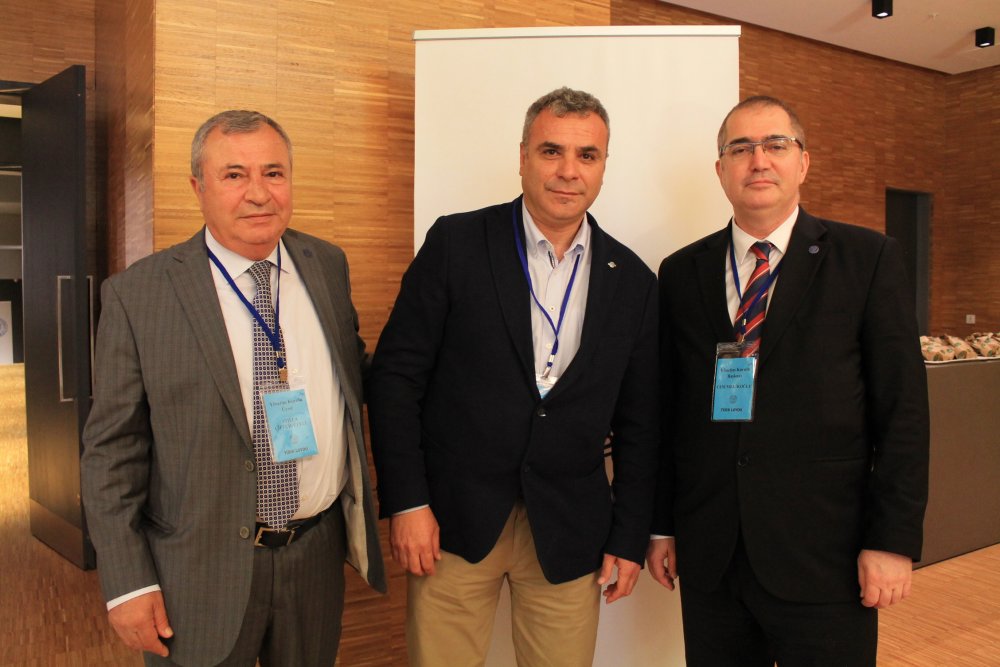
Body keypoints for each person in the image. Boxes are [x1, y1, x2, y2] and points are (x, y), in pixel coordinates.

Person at [81, 110, 386, 666]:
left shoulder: (326, 265)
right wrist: (127, 583)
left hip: (314, 556)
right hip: (197, 569)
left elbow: (353, 373)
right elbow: (112, 453)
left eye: (274, 173)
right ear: (198, 186)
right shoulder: (138, 295)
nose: (259, 193)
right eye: (234, 175)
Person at [368, 87, 659, 667]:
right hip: (451, 520)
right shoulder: (456, 243)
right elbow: (396, 377)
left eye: (587, 155)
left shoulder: (632, 279)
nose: (569, 171)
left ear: (604, 166)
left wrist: (629, 536)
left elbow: (641, 424)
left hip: (570, 529)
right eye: (552, 151)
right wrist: (407, 501)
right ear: (523, 155)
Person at [647, 95, 929, 666]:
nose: (759, 160)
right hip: (713, 557)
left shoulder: (867, 259)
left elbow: (903, 413)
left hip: (826, 558)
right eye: (741, 148)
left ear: (803, 162)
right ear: (721, 169)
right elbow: (667, 411)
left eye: (776, 145)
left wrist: (891, 541)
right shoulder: (680, 272)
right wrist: (661, 526)